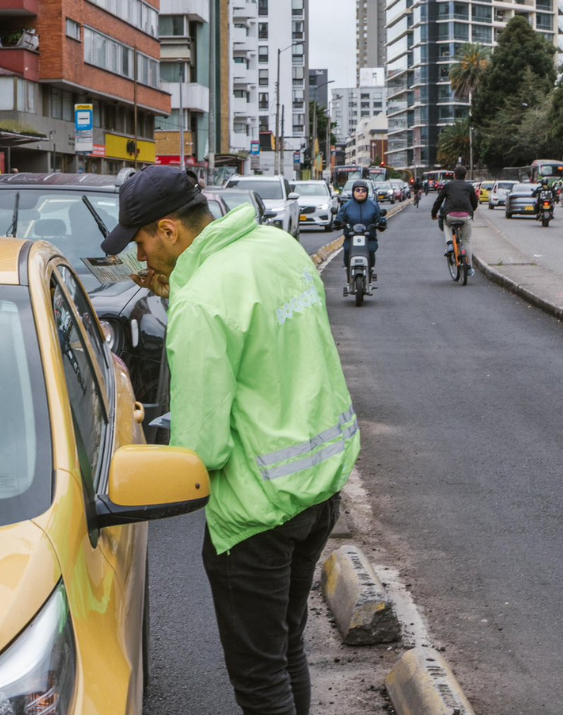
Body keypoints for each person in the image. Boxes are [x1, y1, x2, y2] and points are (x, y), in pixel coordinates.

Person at [101, 166, 358, 715]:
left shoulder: (201, 304)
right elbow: (268, 354)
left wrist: (153, 445)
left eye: (141, 241)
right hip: (319, 490)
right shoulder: (278, 248)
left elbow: (204, 452)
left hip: (254, 516)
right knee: (286, 647)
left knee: (260, 677)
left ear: (169, 231)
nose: (140, 259)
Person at [431, 165, 479, 269]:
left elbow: (438, 201)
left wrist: (434, 214)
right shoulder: (469, 187)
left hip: (450, 215)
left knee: (445, 223)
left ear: (454, 175)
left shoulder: (448, 186)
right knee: (467, 241)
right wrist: (470, 211)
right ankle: (469, 266)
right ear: (465, 176)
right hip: (466, 217)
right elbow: (475, 204)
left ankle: (449, 244)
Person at [336, 180, 386, 276]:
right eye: (357, 190)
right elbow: (340, 217)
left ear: (367, 192)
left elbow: (379, 218)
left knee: (371, 249)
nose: (360, 192)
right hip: (351, 238)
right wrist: (338, 222)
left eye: (363, 190)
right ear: (353, 191)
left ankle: (371, 270)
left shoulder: (373, 205)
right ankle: (348, 271)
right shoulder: (347, 206)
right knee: (347, 249)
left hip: (369, 238)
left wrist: (381, 222)